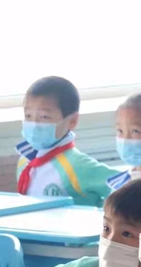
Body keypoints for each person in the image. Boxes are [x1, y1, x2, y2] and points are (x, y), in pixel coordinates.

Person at [16, 76, 116, 206]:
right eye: (28, 115)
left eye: (44, 117)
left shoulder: (77, 165)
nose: (34, 124)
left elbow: (127, 187)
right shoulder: (25, 160)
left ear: (72, 121)